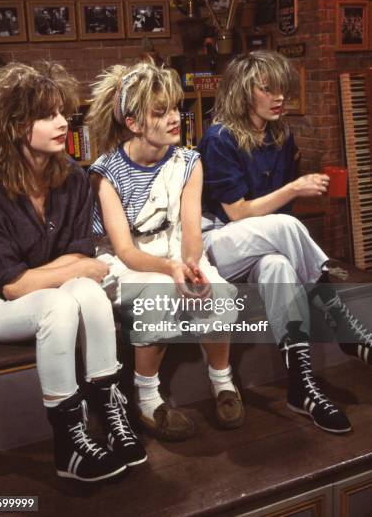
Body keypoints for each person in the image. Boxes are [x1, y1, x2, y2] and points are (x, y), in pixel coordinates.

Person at [0, 62, 146, 482]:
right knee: (62, 299)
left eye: (63, 112)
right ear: (13, 125)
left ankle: (110, 413)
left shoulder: (74, 179)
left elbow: (81, 259)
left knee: (85, 290)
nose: (64, 122)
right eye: (47, 115)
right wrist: (63, 270)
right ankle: (68, 444)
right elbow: (13, 286)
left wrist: (46, 273)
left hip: (39, 293)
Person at [198, 50, 372, 435]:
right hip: (217, 245)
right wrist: (295, 187)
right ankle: (341, 322)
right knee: (283, 228)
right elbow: (239, 213)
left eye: (283, 90)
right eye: (268, 89)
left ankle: (301, 386)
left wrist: (291, 196)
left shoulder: (280, 134)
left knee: (278, 264)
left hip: (263, 244)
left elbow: (279, 214)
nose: (279, 97)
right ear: (245, 92)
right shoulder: (219, 138)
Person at [87, 60, 244, 442]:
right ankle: (147, 400)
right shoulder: (105, 172)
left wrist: (191, 266)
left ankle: (222, 381)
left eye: (175, 108)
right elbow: (124, 250)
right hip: (128, 262)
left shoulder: (189, 162)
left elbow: (191, 229)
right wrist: (170, 270)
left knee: (217, 294)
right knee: (154, 300)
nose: (175, 118)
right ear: (134, 122)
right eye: (161, 112)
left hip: (176, 250)